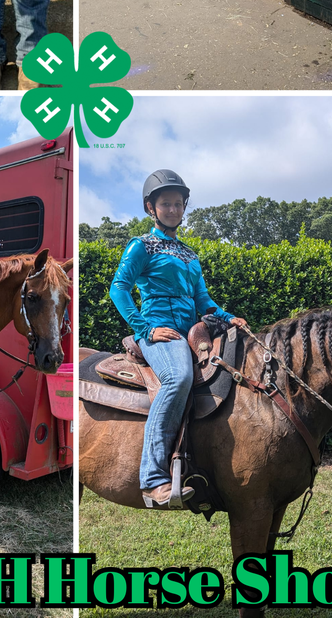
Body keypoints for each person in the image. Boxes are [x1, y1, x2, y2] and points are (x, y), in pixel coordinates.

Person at [109, 169, 247, 509]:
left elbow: (204, 303)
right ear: (150, 208)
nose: (173, 209)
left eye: (178, 204)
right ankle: (153, 478)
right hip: (161, 333)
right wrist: (145, 329)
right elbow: (119, 288)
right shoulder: (140, 246)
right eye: (166, 204)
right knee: (179, 377)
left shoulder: (190, 255)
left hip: (189, 334)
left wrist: (229, 318)